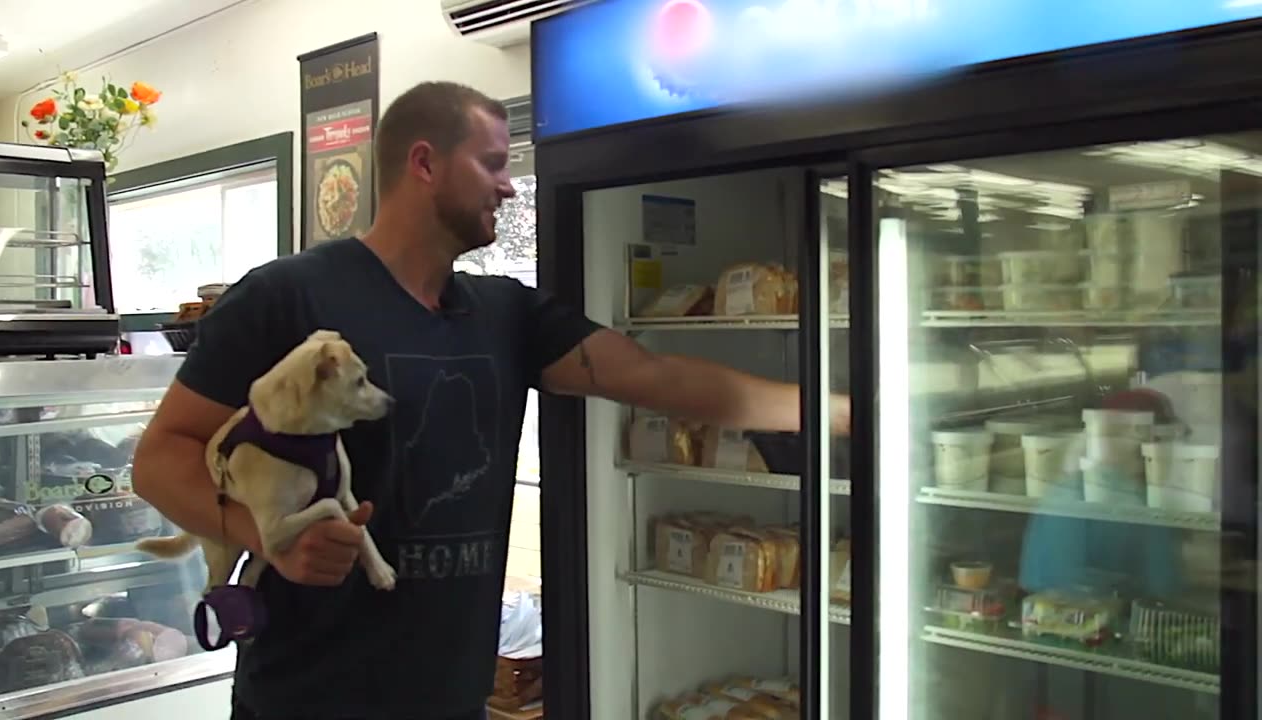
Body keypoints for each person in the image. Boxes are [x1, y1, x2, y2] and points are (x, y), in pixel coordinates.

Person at [131, 80, 852, 720]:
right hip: (306, 698)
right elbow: (162, 457)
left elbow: (657, 379)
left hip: (453, 697)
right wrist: (268, 535)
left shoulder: (505, 313)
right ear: (424, 164)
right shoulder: (289, 297)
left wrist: (840, 411)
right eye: (494, 163)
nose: (509, 187)